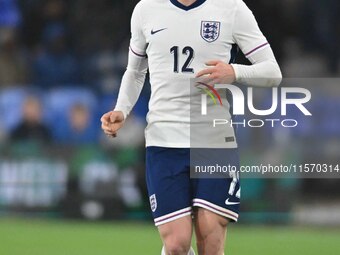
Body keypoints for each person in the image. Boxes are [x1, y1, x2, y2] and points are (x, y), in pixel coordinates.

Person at [101, 0, 282, 254]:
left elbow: (273, 72)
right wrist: (122, 109)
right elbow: (135, 71)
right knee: (176, 244)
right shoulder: (146, 8)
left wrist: (235, 71)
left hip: (214, 141)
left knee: (210, 243)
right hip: (163, 140)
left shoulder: (231, 8)